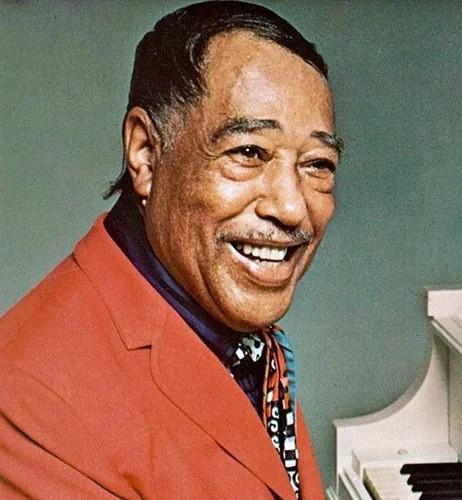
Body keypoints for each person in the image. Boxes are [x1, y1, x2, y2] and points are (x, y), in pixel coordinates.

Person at [0, 2, 342, 498]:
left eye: (317, 164)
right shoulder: (28, 403)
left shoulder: (225, 315)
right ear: (145, 154)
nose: (292, 208)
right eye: (248, 152)